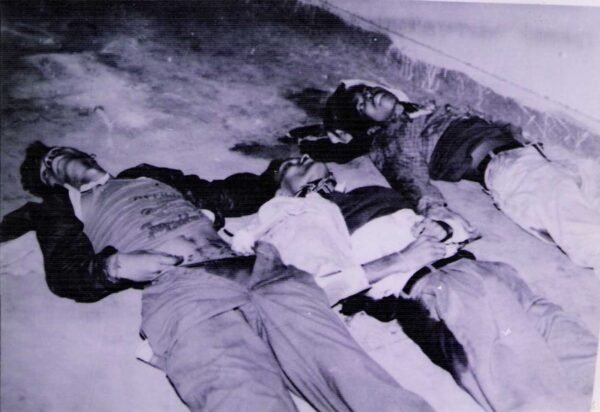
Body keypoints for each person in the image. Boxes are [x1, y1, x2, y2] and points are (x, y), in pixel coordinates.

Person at [0, 141, 433, 412]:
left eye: (61, 149)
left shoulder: (148, 175)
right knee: (239, 394)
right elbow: (65, 273)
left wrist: (282, 175)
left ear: (90, 154)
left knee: (356, 376)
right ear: (50, 181)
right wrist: (115, 267)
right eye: (50, 164)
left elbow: (227, 192)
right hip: (183, 290)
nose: (60, 157)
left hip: (263, 270)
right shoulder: (60, 208)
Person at [232, 155, 598, 412]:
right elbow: (315, 288)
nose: (300, 158)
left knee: (586, 359)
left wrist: (441, 228)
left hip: (490, 271)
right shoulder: (292, 213)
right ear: (278, 190)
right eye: (288, 165)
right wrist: (402, 259)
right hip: (436, 290)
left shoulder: (364, 192)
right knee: (528, 390)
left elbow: (461, 227)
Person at [299, 79, 600, 274]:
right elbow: (410, 179)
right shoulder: (393, 138)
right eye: (361, 105)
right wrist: (440, 217)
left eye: (366, 91)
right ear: (369, 126)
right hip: (513, 171)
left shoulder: (422, 110)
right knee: (585, 235)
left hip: (543, 155)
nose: (369, 95)